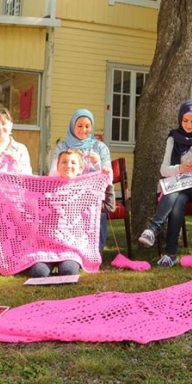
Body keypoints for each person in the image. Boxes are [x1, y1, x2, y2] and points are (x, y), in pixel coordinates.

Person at [137, 99, 192, 267]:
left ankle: (153, 229)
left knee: (175, 187)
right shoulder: (173, 139)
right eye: (185, 120)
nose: (189, 125)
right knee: (178, 199)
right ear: (180, 119)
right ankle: (170, 254)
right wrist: (179, 169)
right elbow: (164, 170)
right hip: (181, 185)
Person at [50, 109, 112, 255]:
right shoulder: (62, 147)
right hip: (67, 194)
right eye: (79, 126)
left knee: (98, 210)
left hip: (92, 195)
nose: (83, 130)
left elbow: (108, 176)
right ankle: (67, 251)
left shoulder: (100, 147)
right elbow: (53, 174)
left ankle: (95, 253)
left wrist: (98, 165)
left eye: (87, 126)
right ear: (72, 126)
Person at [27, 149, 87, 278]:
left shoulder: (85, 190)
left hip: (70, 246)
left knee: (68, 272)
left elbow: (108, 206)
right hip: (46, 245)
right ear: (58, 166)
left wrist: (107, 180)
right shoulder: (45, 188)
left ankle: (68, 263)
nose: (68, 165)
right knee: (39, 273)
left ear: (80, 168)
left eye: (73, 163)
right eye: (64, 162)